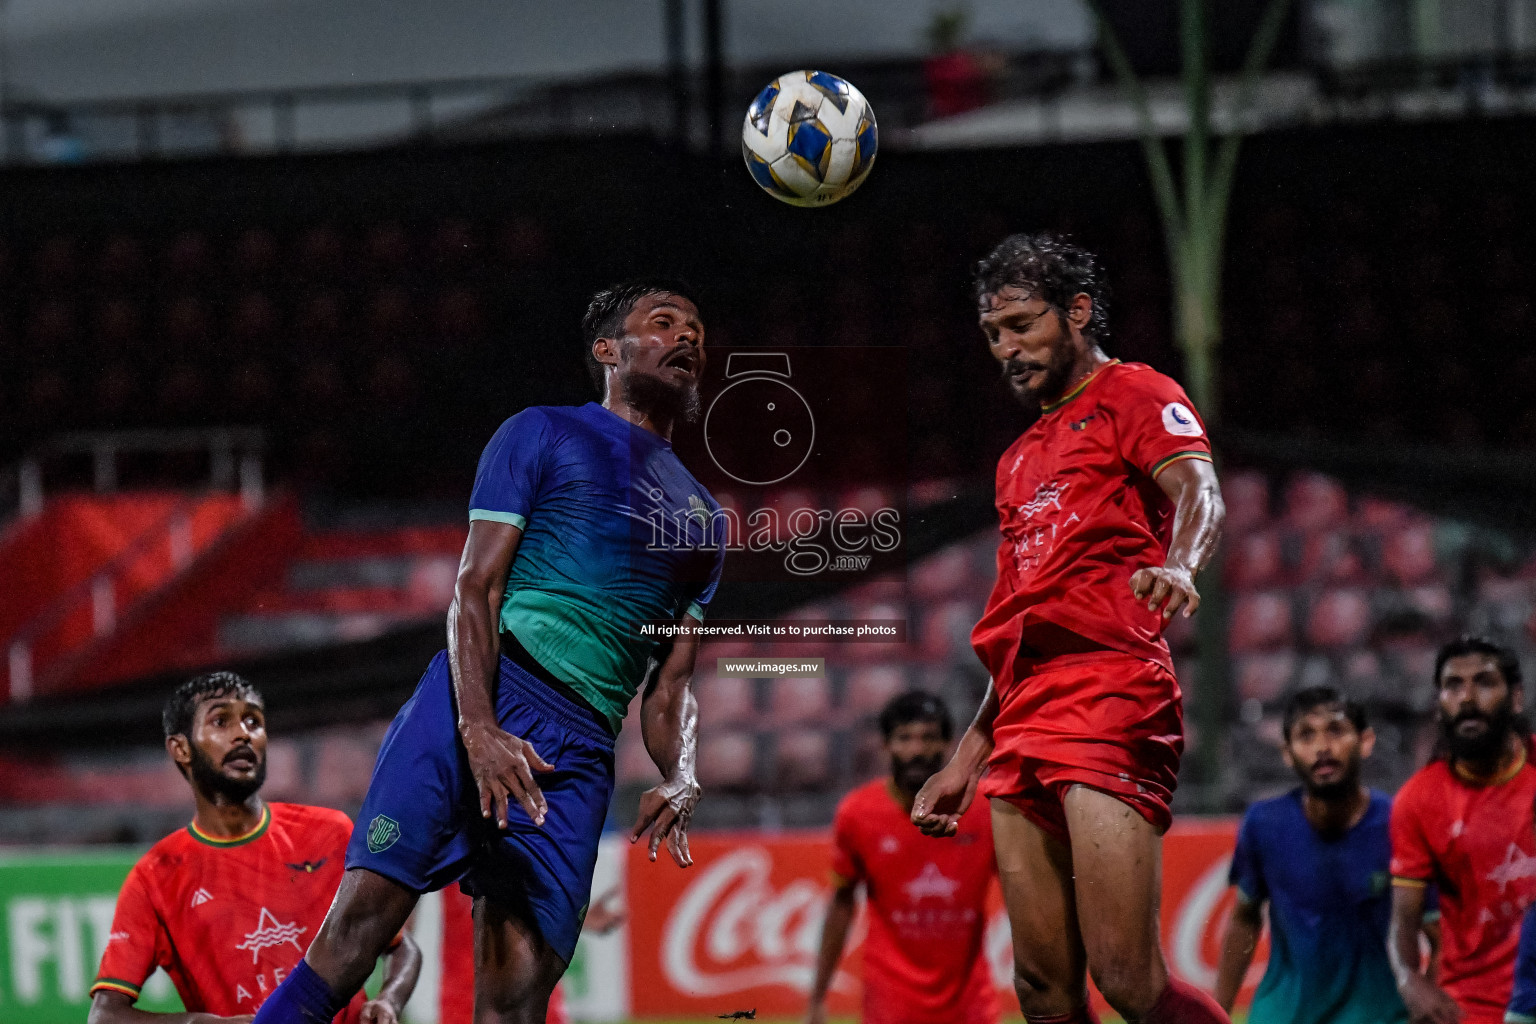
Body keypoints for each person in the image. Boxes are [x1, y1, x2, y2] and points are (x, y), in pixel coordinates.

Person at [250, 279, 724, 1024]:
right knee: (358, 929)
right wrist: (478, 729)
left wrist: (682, 772)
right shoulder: (540, 432)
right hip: (485, 696)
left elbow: (670, 686)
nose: (688, 336)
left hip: (578, 756)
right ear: (608, 350)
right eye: (664, 323)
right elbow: (475, 589)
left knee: (515, 1000)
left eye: (696, 327)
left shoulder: (704, 517)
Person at [910, 232, 1227, 1024]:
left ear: (1078, 311)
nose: (1006, 349)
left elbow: (1201, 492)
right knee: (1043, 990)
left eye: (1021, 324)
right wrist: (966, 755)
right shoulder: (1017, 459)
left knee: (1125, 976)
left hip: (1111, 691)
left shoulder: (1137, 393)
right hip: (1024, 718)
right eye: (993, 334)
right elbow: (1017, 622)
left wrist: (1182, 564)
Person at [88, 672, 421, 1024]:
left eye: (253, 721)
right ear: (181, 748)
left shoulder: (330, 832)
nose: (243, 733)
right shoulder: (155, 876)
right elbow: (106, 1016)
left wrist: (388, 1001)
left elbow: (401, 948)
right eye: (221, 721)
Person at [1214, 686, 1416, 1023]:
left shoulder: (1399, 823)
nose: (1322, 747)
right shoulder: (1264, 825)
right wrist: (1217, 1011)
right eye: (1306, 735)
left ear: (1366, 742)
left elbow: (1434, 928)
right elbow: (1244, 918)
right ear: (1287, 753)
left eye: (1335, 731)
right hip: (1283, 1016)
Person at [805, 692, 998, 1024]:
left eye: (928, 738)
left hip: (972, 1005)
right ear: (885, 745)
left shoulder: (986, 809)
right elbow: (841, 904)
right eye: (904, 738)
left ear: (949, 744)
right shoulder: (858, 813)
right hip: (890, 1006)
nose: (917, 750)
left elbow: (1022, 891)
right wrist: (817, 998)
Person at [1390, 637, 1536, 1024]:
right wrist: (1410, 981)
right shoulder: (1418, 800)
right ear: (1439, 705)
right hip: (1472, 1008)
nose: (1467, 698)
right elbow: (1404, 918)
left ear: (1516, 698)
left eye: (1485, 682)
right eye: (1453, 686)